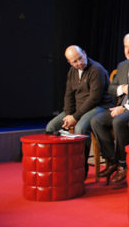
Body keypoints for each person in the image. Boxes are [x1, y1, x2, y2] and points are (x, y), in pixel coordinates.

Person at [90, 33, 129, 184]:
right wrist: (122, 89)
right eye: (126, 47)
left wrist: (125, 107)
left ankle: (122, 164)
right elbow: (111, 89)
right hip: (121, 106)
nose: (127, 51)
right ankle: (113, 160)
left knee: (119, 121)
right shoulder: (122, 65)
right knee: (96, 121)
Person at [46, 45, 115, 175]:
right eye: (75, 61)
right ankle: (57, 166)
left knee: (80, 129)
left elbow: (94, 98)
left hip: (100, 106)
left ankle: (81, 168)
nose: (79, 63)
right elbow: (68, 95)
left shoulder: (96, 69)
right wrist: (68, 115)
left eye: (80, 58)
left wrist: (75, 117)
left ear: (84, 53)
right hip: (79, 109)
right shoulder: (72, 71)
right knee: (51, 127)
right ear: (69, 62)